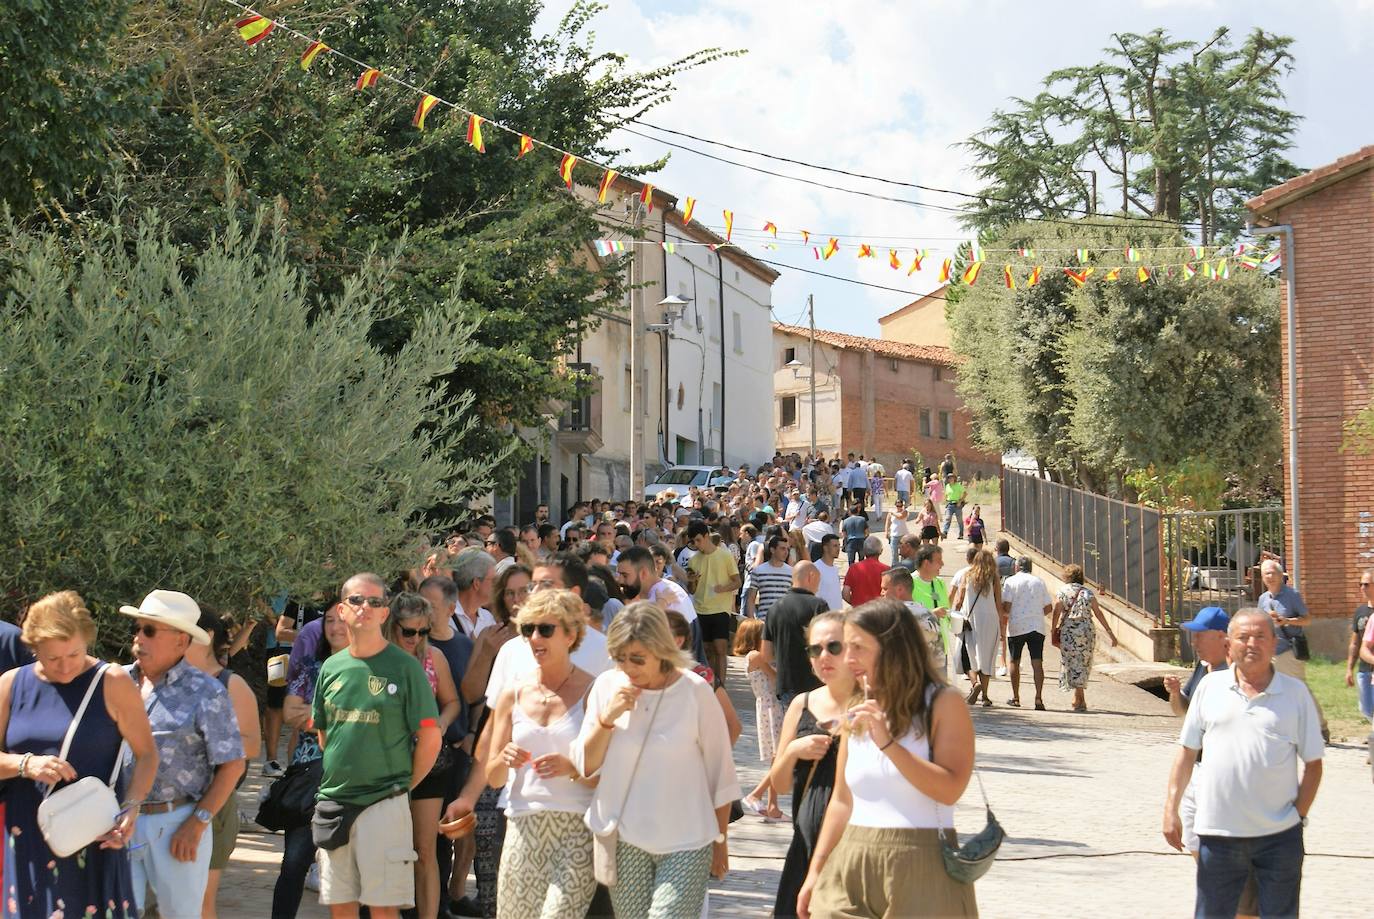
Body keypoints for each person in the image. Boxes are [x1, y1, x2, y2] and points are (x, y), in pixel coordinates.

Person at [797, 600, 978, 918]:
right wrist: (816, 870)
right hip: (850, 860)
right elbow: (841, 800)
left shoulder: (942, 702)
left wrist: (889, 744)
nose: (848, 659)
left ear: (892, 647)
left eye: (857, 647)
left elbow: (950, 789)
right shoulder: (858, 706)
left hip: (920, 865)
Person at [573, 603, 740, 917]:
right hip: (624, 839)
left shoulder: (696, 692)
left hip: (688, 840)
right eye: (620, 658)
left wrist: (721, 840)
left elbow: (721, 773)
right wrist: (606, 720)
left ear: (663, 650)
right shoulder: (607, 687)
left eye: (637, 659)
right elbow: (585, 764)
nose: (628, 668)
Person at [0, 591, 157, 919]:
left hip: (91, 837)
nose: (66, 666)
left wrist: (132, 806)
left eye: (74, 653)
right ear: (32, 648)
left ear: (87, 640)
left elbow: (146, 756)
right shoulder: (11, 684)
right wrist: (25, 764)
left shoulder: (112, 681)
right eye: (52, 658)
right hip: (28, 835)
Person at [1163, 610, 1323, 919]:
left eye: (1261, 636)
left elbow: (1314, 764)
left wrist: (1296, 817)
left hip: (1278, 839)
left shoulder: (1295, 694)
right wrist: (1171, 809)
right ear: (1229, 644)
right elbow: (1186, 753)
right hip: (1218, 835)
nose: (1252, 644)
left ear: (1274, 643)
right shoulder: (1210, 688)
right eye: (1243, 637)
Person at [313, 574, 441, 919]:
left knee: (384, 910)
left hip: (385, 803)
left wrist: (403, 786)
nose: (365, 608)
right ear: (341, 610)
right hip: (335, 803)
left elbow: (430, 737)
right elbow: (325, 734)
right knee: (341, 907)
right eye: (356, 600)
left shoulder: (405, 668)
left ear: (386, 613)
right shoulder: (331, 668)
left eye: (375, 602)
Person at [118, 590, 245, 919]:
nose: (138, 638)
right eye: (137, 628)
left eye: (149, 630)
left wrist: (198, 821)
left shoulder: (207, 692)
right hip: (118, 822)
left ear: (180, 640)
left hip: (176, 823)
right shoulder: (115, 682)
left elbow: (232, 765)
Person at [484, 589, 598, 919]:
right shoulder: (513, 692)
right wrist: (503, 759)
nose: (535, 637)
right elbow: (493, 777)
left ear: (571, 634)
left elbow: (607, 776)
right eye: (528, 629)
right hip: (522, 824)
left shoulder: (594, 692)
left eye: (545, 629)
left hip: (577, 829)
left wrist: (572, 767)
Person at [768, 612, 852, 918]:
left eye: (834, 647)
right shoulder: (801, 704)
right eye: (815, 650)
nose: (823, 656)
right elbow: (780, 784)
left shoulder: (873, 704)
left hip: (854, 850)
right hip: (804, 847)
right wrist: (792, 751)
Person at [384, 592, 461, 919]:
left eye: (423, 631)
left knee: (425, 850)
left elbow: (453, 702)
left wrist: (440, 726)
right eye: (409, 632)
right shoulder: (378, 659)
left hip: (428, 762)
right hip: (385, 764)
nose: (416, 639)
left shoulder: (434, 658)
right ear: (393, 627)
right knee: (386, 850)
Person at [271, 603, 350, 919]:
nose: (333, 627)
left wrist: (315, 715)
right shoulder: (309, 668)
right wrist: (343, 718)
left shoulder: (372, 669)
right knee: (293, 863)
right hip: (309, 775)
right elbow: (291, 714)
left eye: (340, 621)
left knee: (347, 872)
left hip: (352, 779)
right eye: (328, 620)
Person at [184, 611, 262, 919]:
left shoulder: (231, 683)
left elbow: (252, 745)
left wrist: (193, 746)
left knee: (201, 901)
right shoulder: (162, 680)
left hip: (214, 803)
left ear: (207, 635)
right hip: (164, 804)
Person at [415, 576, 476, 919]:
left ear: (451, 609)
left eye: (432, 606)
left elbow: (474, 697)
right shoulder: (407, 646)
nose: (424, 612)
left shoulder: (464, 647)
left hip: (452, 753)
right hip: (411, 755)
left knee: (443, 836)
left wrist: (469, 734)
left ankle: (438, 907)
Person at [1257, 560, 1329, 740]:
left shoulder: (1292, 595)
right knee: (1271, 691)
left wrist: (1286, 621)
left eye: (1273, 572)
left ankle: (1320, 728)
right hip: (1270, 652)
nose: (1270, 576)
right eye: (1266, 573)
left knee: (1300, 689)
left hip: (1288, 651)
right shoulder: (1263, 599)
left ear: (1281, 575)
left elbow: (1307, 619)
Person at [762, 563, 832, 712]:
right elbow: (829, 644)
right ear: (810, 577)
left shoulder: (774, 608)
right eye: (818, 581)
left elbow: (766, 654)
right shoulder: (818, 606)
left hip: (786, 685)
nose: (818, 587)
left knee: (793, 730)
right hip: (815, 684)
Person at [1051, 565, 1119, 712]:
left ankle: (1078, 697)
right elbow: (1098, 613)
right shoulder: (1088, 593)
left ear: (1067, 576)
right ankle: (1079, 697)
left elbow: (1056, 609)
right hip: (1086, 631)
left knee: (1070, 661)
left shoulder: (1063, 591)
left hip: (1069, 631)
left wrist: (1053, 629)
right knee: (1084, 662)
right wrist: (1110, 633)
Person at [686, 519, 742, 693]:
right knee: (707, 649)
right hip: (701, 609)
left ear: (706, 536)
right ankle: (709, 684)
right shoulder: (694, 560)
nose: (696, 545)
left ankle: (721, 686)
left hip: (720, 609)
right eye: (693, 542)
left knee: (720, 648)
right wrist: (692, 582)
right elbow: (692, 590)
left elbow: (737, 581)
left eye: (698, 540)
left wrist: (722, 589)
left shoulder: (724, 555)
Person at [1000, 557, 1053, 710]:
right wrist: (1035, 613)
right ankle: (1038, 698)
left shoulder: (1010, 582)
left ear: (1017, 567)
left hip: (1017, 626)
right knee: (1037, 663)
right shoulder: (1039, 582)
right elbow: (1048, 607)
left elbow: (1007, 606)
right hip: (1037, 626)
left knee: (1014, 661)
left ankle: (1016, 697)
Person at [879, 566, 947, 676]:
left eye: (885, 589)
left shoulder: (893, 617)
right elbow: (939, 662)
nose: (881, 593)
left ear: (900, 589)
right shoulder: (928, 615)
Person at [958, 550, 1004, 707]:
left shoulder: (968, 574)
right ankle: (985, 696)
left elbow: (960, 598)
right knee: (986, 656)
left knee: (968, 652)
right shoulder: (994, 577)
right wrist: (1002, 628)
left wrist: (956, 613)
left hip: (971, 620)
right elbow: (999, 603)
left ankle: (974, 682)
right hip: (990, 621)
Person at [746, 536, 795, 621]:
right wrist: (751, 620)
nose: (786, 552)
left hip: (785, 622)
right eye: (782, 549)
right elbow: (751, 598)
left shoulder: (792, 572)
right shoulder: (758, 571)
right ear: (772, 550)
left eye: (787, 549)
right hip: (764, 621)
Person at [1349, 570, 1374, 723]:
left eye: (1366, 584)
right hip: (1364, 669)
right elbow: (1355, 643)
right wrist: (1349, 669)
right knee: (1366, 709)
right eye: (1361, 584)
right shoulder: (1361, 612)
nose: (1362, 588)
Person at [841, 536, 886, 608]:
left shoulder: (854, 568)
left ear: (864, 551)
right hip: (879, 611)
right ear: (881, 551)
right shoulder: (886, 569)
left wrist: (854, 604)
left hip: (859, 611)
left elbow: (845, 593)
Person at [814, 534, 844, 610]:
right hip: (824, 616)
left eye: (838, 545)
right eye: (834, 546)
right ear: (825, 548)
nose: (838, 549)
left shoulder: (835, 569)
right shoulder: (816, 568)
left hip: (837, 615)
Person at [885, 500, 910, 567]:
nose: (899, 507)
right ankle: (895, 567)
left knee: (904, 553)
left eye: (900, 506)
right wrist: (886, 532)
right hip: (894, 535)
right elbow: (888, 522)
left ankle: (903, 567)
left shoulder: (905, 511)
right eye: (897, 506)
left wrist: (892, 512)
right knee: (894, 553)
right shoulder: (891, 513)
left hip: (903, 535)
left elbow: (900, 516)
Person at [941, 475, 966, 540]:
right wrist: (946, 501)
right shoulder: (947, 486)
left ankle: (961, 534)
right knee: (948, 518)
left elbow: (965, 493)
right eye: (949, 478)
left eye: (952, 478)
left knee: (959, 520)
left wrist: (960, 501)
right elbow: (946, 495)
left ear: (954, 479)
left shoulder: (958, 486)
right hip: (950, 504)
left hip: (957, 504)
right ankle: (945, 532)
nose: (950, 479)